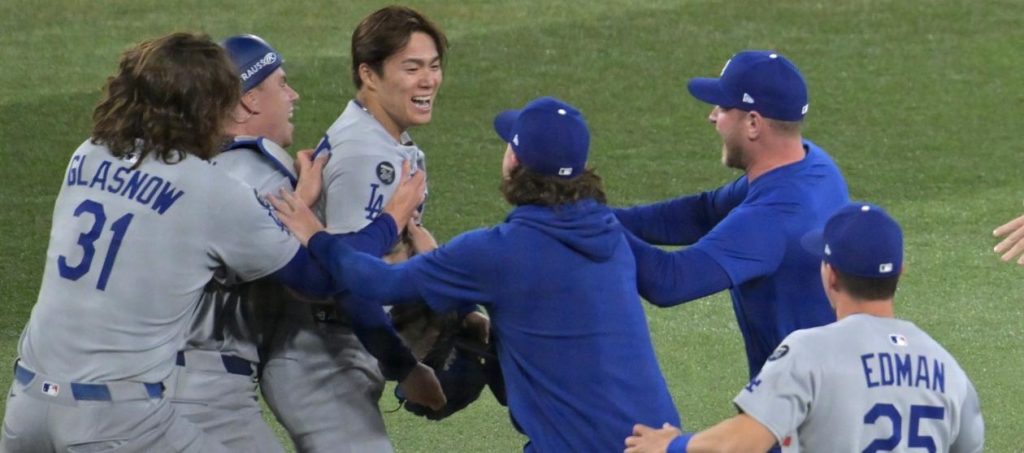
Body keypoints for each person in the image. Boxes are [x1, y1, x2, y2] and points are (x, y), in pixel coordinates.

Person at [270, 96, 683, 452]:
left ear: (515, 161)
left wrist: (315, 234)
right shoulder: (607, 232)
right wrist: (458, 289)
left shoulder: (494, 251)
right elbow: (549, 312)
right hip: (661, 437)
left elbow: (378, 283)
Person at [0, 32, 336, 452]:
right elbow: (316, 282)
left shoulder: (87, 154)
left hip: (26, 409)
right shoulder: (208, 189)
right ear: (205, 107)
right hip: (114, 419)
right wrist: (303, 212)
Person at [165, 34, 435, 453]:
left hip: (138, 374)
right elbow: (323, 280)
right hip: (200, 387)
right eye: (281, 83)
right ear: (246, 102)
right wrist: (390, 221)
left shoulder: (187, 165)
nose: (294, 94)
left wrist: (301, 202)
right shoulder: (257, 175)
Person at [624, 202, 985, 453]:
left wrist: (671, 445)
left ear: (830, 273)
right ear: (900, 272)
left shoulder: (809, 352)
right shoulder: (948, 369)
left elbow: (742, 443)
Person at [615, 50, 850, 379]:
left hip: (805, 412)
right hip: (828, 387)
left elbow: (669, 282)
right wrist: (604, 216)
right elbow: (704, 212)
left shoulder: (774, 217)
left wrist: (583, 223)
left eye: (724, 108)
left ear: (753, 123)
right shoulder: (811, 165)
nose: (713, 116)